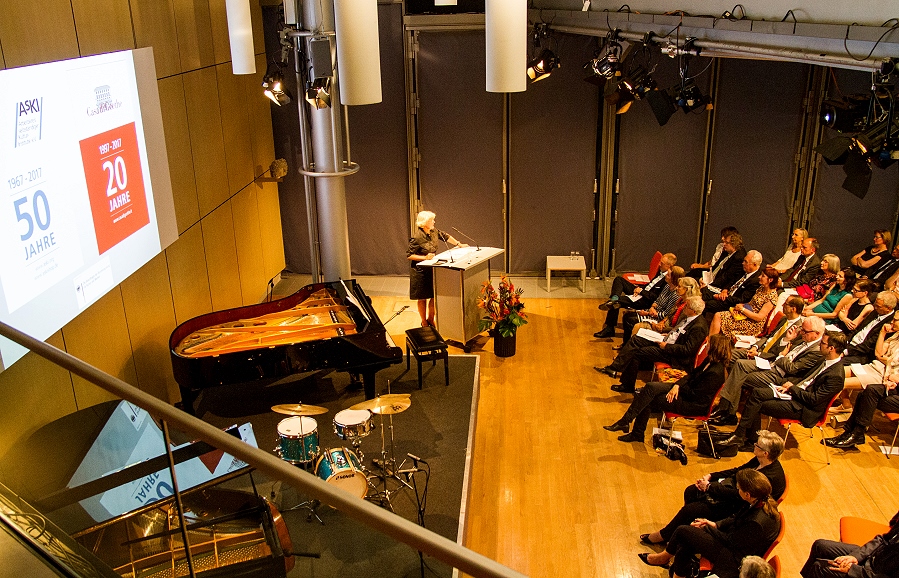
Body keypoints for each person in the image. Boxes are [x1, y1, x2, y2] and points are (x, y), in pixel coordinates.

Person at [638, 430, 785, 546]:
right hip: (735, 494)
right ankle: (684, 531)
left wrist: (709, 487)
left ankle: (666, 535)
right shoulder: (760, 460)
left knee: (691, 509)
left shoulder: (769, 477)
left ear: (766, 453)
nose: (754, 445)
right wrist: (711, 476)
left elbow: (740, 497)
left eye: (757, 445)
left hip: (739, 507)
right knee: (691, 491)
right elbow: (738, 471)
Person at [638, 469, 781, 578]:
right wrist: (714, 524)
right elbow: (734, 517)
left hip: (734, 559)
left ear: (747, 494)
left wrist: (707, 528)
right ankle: (675, 570)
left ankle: (665, 559)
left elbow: (732, 542)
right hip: (734, 543)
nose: (737, 490)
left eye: (739, 488)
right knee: (688, 537)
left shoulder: (757, 522)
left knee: (684, 531)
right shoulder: (757, 501)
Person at [719, 331, 846, 452]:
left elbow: (813, 400)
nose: (819, 345)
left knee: (757, 404)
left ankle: (743, 437)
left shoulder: (836, 375)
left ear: (831, 348)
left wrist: (792, 388)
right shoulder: (825, 360)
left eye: (823, 343)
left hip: (803, 408)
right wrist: (789, 387)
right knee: (756, 393)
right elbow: (806, 380)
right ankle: (744, 437)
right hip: (796, 393)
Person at [603, 334, 731, 443]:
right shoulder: (709, 360)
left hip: (693, 404)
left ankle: (634, 430)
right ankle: (627, 423)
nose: (706, 345)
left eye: (709, 344)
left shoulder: (716, 372)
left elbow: (695, 395)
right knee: (650, 387)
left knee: (649, 398)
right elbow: (691, 374)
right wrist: (677, 385)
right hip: (685, 389)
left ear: (715, 347)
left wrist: (678, 388)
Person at [709, 315, 824, 426]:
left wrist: (781, 356)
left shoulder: (817, 351)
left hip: (780, 377)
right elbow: (777, 348)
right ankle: (728, 410)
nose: (801, 332)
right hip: (772, 365)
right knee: (737, 364)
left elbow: (791, 369)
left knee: (738, 373)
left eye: (805, 331)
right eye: (802, 329)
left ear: (817, 334)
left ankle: (727, 410)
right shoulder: (802, 337)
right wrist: (786, 340)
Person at [597, 296, 709, 394]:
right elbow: (679, 332)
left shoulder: (698, 327)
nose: (684, 307)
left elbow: (687, 350)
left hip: (675, 355)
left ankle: (625, 382)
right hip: (667, 340)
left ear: (694, 311)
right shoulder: (689, 318)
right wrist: (668, 334)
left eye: (687, 306)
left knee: (637, 352)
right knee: (637, 339)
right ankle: (616, 369)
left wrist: (666, 346)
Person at [823, 312, 899, 448]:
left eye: (896, 320)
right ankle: (852, 433)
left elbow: (888, 362)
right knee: (860, 389)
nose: (892, 322)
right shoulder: (896, 337)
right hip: (881, 371)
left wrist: (894, 376)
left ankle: (854, 433)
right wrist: (882, 333)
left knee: (866, 391)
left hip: (886, 378)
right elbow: (878, 355)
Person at [407, 211, 467, 327]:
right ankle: (424, 322)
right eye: (431, 220)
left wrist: (459, 244)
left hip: (432, 269)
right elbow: (409, 255)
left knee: (434, 295)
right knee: (422, 298)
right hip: (420, 272)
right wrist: (425, 257)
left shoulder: (434, 231)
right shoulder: (417, 237)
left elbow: (445, 236)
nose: (434, 222)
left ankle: (430, 319)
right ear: (425, 223)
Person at [595, 253, 677, 338]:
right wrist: (638, 289)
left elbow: (655, 297)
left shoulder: (668, 279)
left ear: (669, 265)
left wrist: (641, 292)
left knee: (615, 303)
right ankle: (614, 298)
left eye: (662, 263)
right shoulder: (661, 271)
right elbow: (651, 285)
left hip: (645, 300)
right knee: (619, 280)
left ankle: (609, 328)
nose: (659, 264)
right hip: (642, 292)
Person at [800, 509, 899, 578]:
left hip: (872, 574)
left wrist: (853, 570)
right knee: (820, 546)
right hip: (872, 557)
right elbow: (883, 539)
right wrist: (856, 556)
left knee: (820, 568)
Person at [709, 266, 779, 339]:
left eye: (763, 276)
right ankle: (711, 342)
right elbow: (751, 303)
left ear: (770, 280)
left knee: (718, 316)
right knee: (718, 315)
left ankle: (712, 344)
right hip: (746, 314)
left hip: (753, 323)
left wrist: (742, 310)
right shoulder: (761, 288)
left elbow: (759, 317)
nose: (759, 277)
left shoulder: (772, 297)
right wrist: (742, 306)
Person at [841, 292, 898, 365]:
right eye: (875, 304)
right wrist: (845, 340)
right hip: (850, 344)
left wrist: (846, 351)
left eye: (878, 306)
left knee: (835, 362)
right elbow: (858, 329)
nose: (875, 307)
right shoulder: (875, 311)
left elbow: (868, 346)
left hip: (862, 354)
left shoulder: (890, 324)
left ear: (888, 308)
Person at [703, 250, 764, 316]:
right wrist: (725, 290)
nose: (743, 263)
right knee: (703, 292)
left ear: (754, 264)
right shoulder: (744, 270)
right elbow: (732, 281)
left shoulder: (756, 281)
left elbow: (742, 299)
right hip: (725, 294)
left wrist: (723, 297)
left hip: (731, 303)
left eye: (746, 262)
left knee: (705, 304)